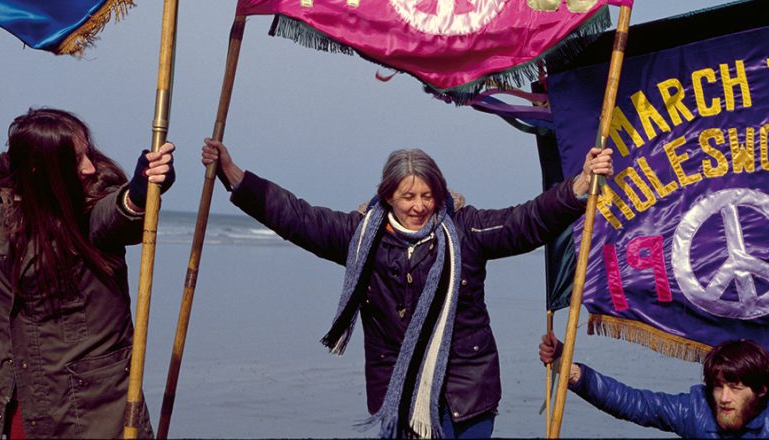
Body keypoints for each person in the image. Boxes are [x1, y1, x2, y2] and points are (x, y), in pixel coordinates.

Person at [202, 138, 613, 439]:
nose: (419, 206)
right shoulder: (362, 237)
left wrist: (576, 187)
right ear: (389, 196)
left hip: (469, 396)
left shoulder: (466, 230)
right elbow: (297, 217)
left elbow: (525, 222)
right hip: (398, 400)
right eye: (408, 196)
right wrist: (234, 176)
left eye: (427, 195)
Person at [0, 107, 176, 439]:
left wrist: (140, 192)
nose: (90, 167)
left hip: (84, 410)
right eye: (76, 160)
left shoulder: (92, 201)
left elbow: (116, 215)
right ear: (39, 169)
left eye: (88, 153)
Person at [539, 330, 769, 438]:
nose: (723, 397)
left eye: (735, 388)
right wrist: (572, 370)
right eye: (718, 386)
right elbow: (635, 404)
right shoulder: (696, 410)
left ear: (761, 390)